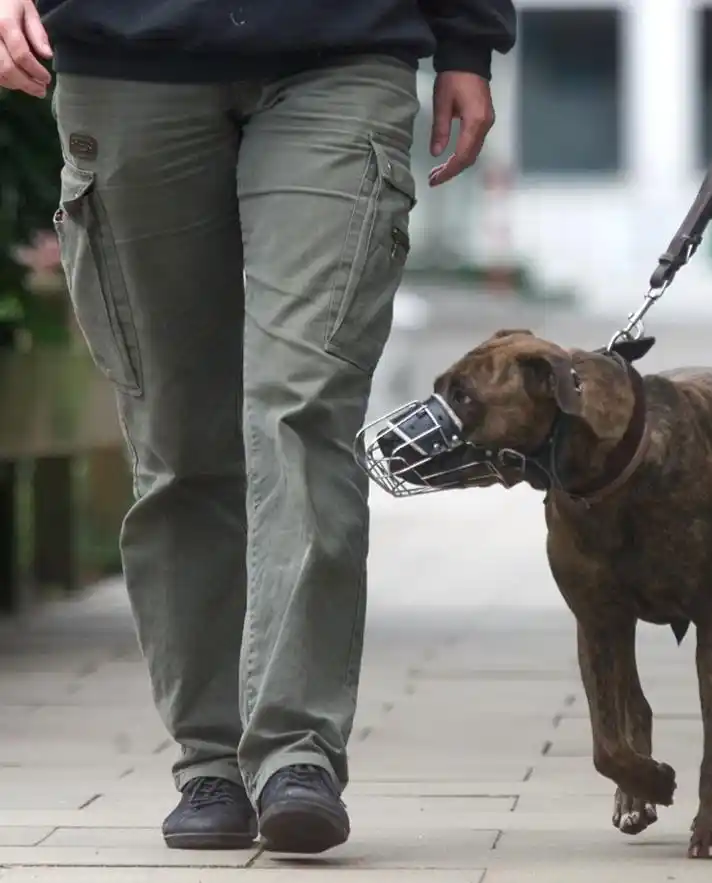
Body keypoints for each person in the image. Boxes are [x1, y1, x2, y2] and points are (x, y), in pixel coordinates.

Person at [1, 0, 515, 855]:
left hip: (341, 49)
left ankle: (296, 749)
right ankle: (209, 757)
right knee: (178, 430)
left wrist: (467, 37)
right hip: (127, 55)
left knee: (302, 403)